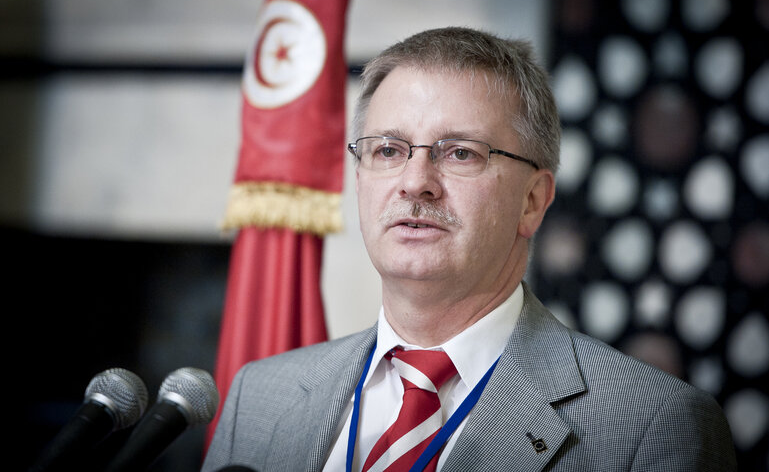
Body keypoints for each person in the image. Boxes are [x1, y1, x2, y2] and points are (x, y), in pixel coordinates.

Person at [202, 27, 737, 472]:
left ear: (532, 201)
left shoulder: (652, 426)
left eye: (459, 153)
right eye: (388, 149)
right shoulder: (258, 396)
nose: (415, 182)